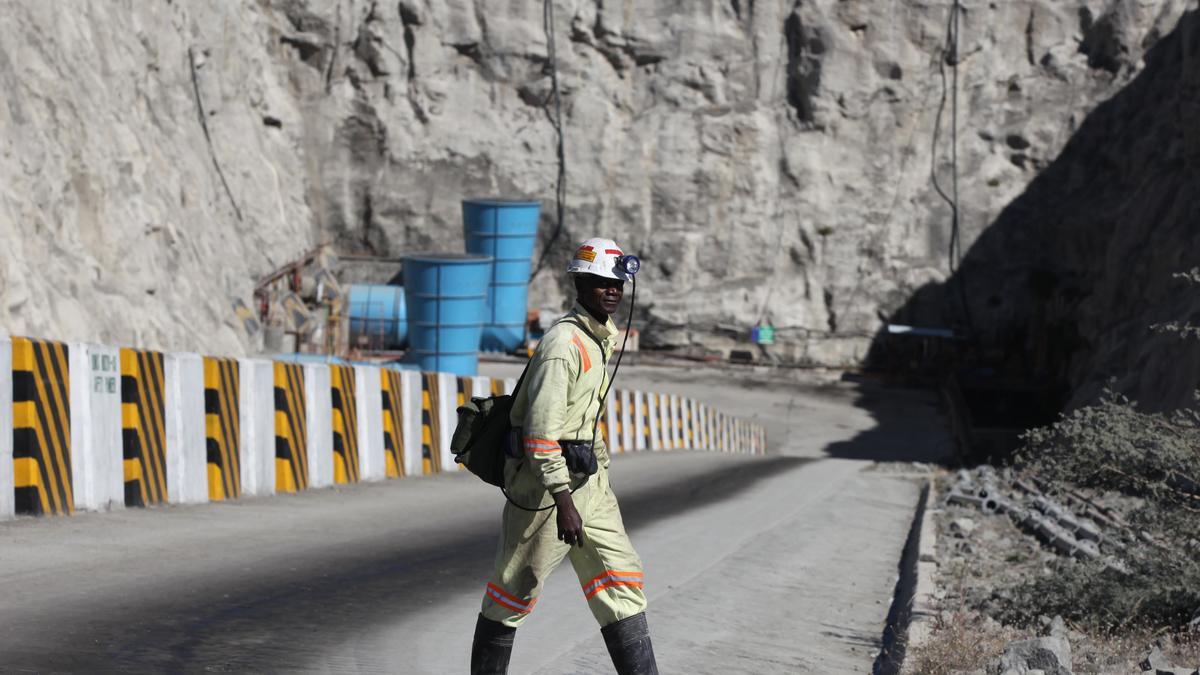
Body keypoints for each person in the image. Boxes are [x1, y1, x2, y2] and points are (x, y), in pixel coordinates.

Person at [470, 238, 658, 675]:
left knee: (622, 583)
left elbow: (584, 424)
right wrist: (564, 502)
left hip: (587, 487)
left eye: (616, 283)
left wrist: (598, 482)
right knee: (513, 592)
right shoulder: (563, 345)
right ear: (579, 283)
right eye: (599, 282)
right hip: (545, 492)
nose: (611, 291)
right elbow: (540, 435)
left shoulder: (598, 340)